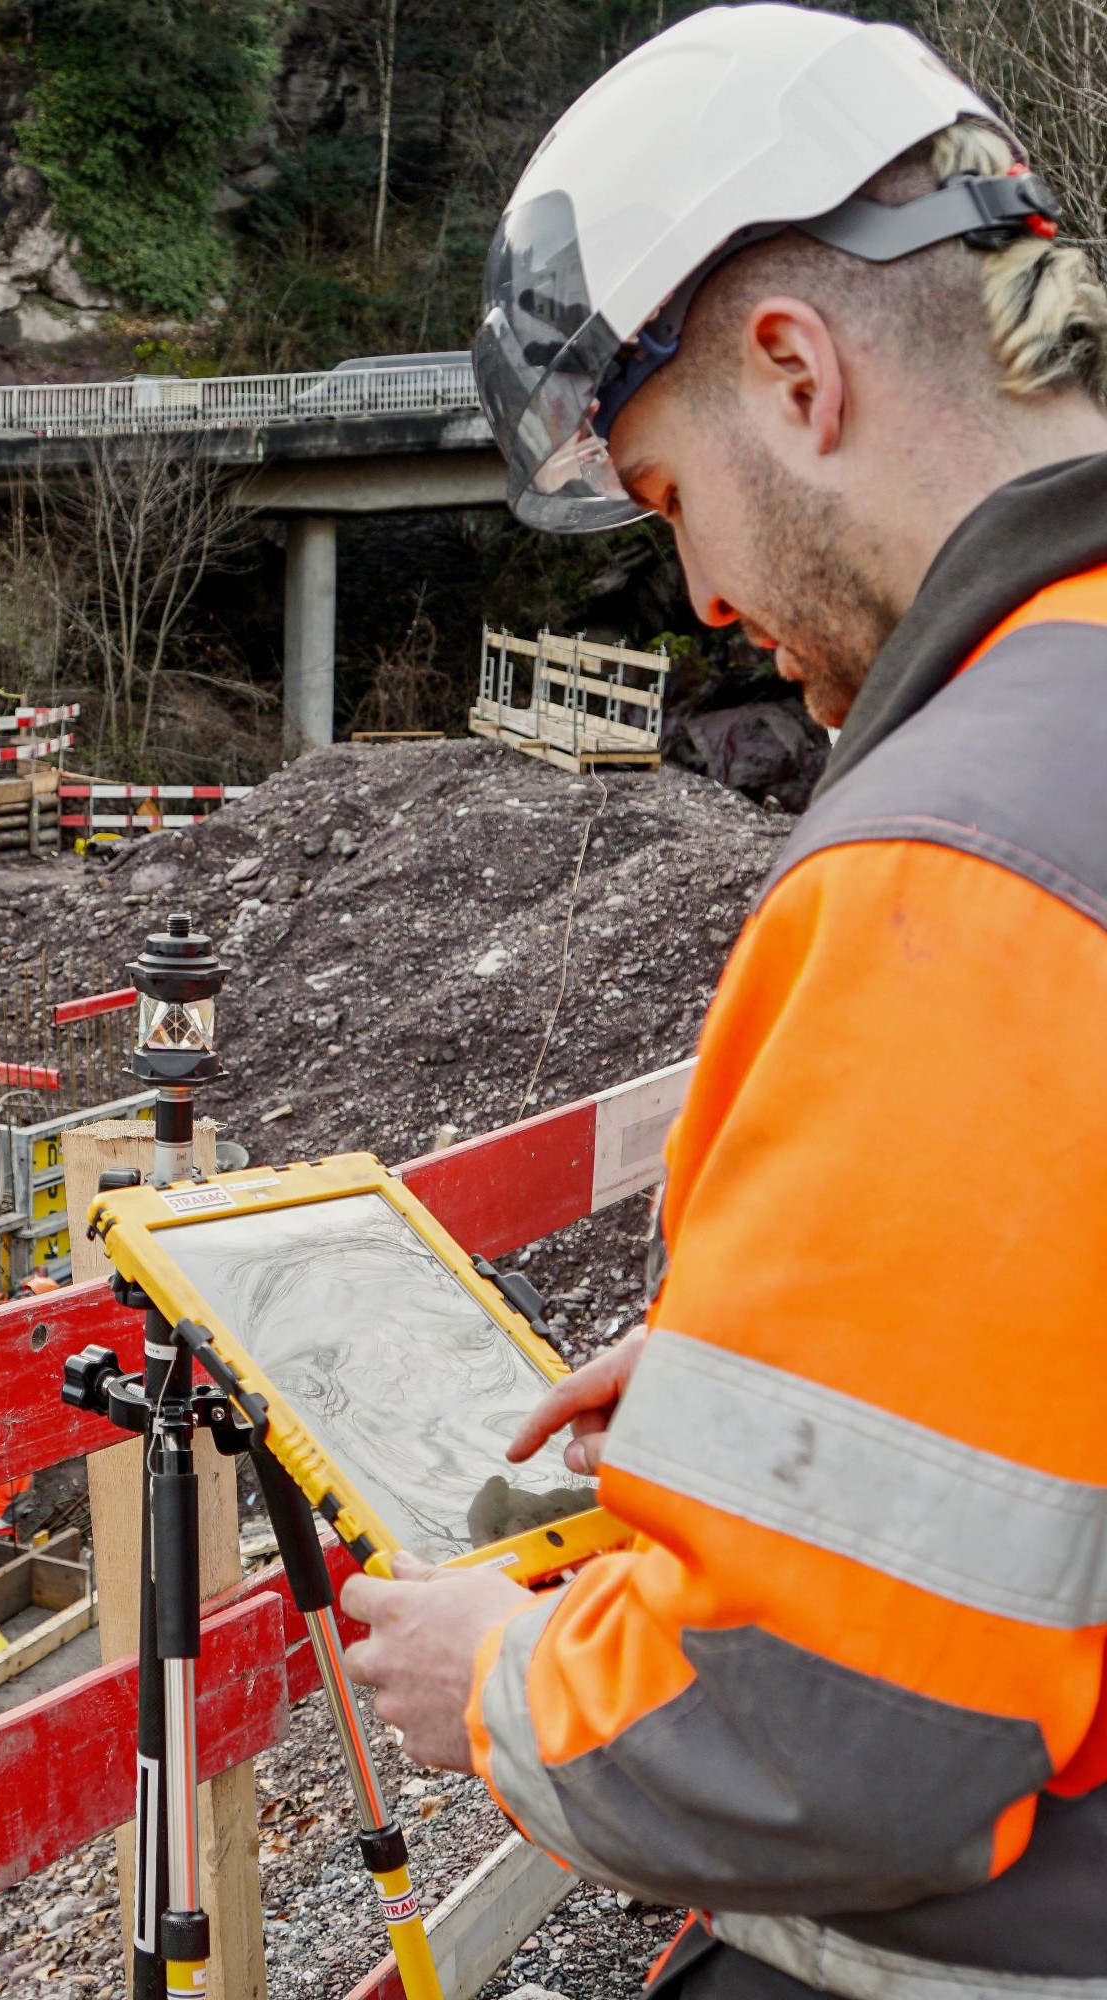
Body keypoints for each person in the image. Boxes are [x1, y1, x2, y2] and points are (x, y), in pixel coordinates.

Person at [339, 10, 1107, 1998]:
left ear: (792, 370)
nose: (692, 599)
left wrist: (501, 1673)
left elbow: (819, 1729)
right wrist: (764, 1385)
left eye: (668, 495)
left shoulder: (958, 862)